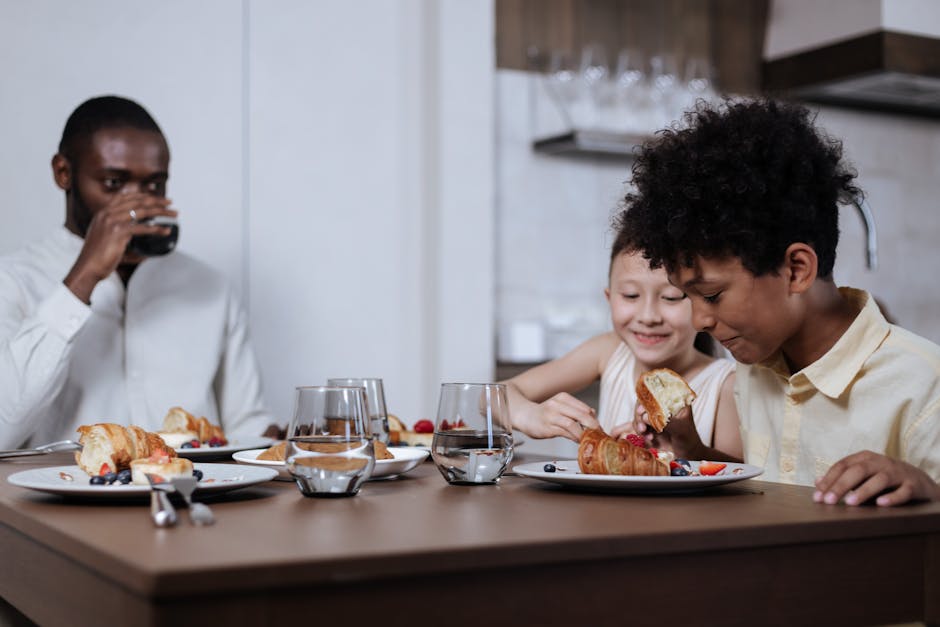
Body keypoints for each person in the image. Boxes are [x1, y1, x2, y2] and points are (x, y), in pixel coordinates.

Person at [617, 98, 940, 506]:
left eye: (712, 295)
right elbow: (768, 496)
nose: (699, 320)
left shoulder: (924, 382)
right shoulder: (757, 370)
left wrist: (931, 493)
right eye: (689, 297)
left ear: (796, 270)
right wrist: (694, 454)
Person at [0, 95, 273, 449]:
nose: (138, 204)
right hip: (62, 500)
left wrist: (293, 440)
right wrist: (84, 277)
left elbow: (247, 428)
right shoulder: (14, 280)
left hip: (191, 497)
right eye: (114, 184)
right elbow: (4, 430)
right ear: (63, 173)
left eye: (154, 186)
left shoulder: (208, 287)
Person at [503, 227, 742, 461]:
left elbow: (743, 482)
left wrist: (691, 451)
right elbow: (490, 397)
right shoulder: (608, 350)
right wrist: (529, 415)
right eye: (630, 295)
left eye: (671, 297)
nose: (648, 317)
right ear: (609, 298)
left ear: (702, 301)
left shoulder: (725, 384)